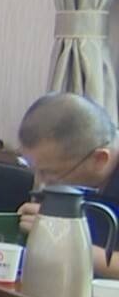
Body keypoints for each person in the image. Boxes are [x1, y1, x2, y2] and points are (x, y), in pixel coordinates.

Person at [17, 92, 119, 276]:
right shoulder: (78, 174)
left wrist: (66, 243)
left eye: (50, 173)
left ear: (99, 160)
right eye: (35, 170)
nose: (41, 183)